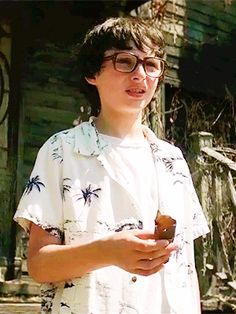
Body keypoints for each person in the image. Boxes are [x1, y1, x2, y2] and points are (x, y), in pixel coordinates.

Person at [14, 16, 209, 314]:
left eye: (151, 64)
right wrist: (107, 251)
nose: (140, 74)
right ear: (93, 72)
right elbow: (40, 264)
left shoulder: (173, 160)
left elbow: (187, 269)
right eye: (125, 61)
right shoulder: (61, 151)